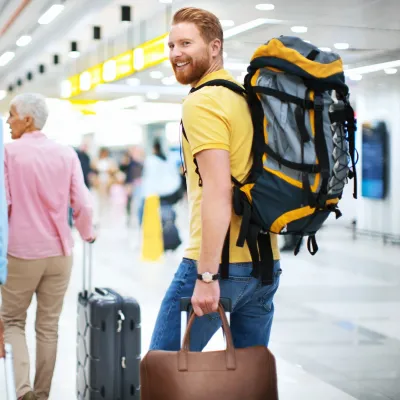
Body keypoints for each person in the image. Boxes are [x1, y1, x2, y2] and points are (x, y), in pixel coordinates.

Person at [149, 7, 281, 352]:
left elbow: (218, 191)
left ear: (214, 47)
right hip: (265, 265)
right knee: (248, 380)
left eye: (186, 43)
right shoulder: (243, 97)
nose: (176, 53)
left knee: (163, 372)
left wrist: (206, 277)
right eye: (171, 45)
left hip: (219, 266)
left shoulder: (203, 101)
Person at [0, 93, 95, 400]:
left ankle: (23, 390)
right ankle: (41, 395)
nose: (8, 120)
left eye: (12, 114)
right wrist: (87, 233)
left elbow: (4, 205)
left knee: (13, 321)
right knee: (48, 327)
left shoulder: (8, 154)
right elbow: (82, 202)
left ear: (27, 119)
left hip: (21, 253)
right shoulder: (66, 153)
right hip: (60, 253)